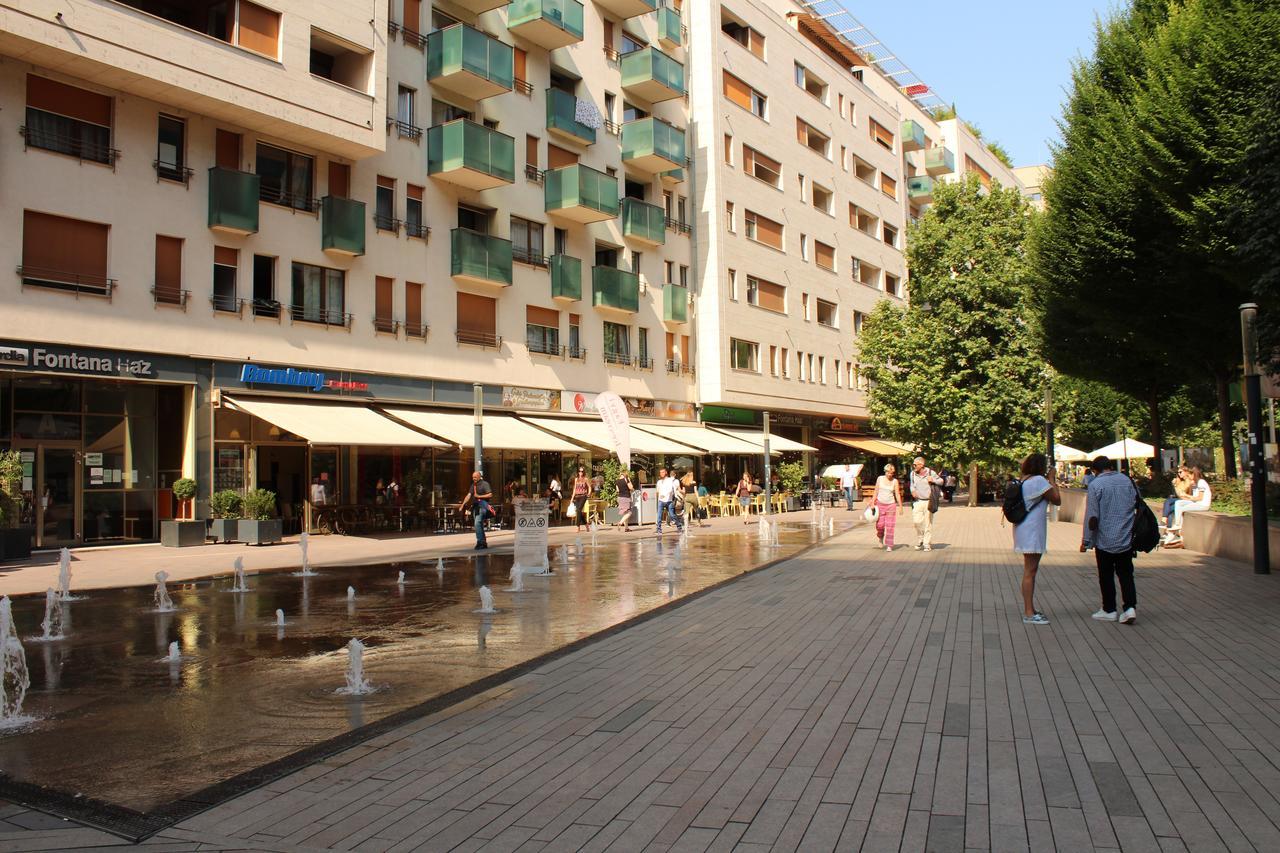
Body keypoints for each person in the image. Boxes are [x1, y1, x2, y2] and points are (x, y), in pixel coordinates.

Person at [1080, 456, 1137, 624]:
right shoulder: (1127, 481)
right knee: (1126, 574)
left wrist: (1086, 540)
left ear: (1095, 471)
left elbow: (1092, 516)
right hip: (1126, 537)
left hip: (1104, 538)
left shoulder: (1096, 485)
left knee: (1106, 575)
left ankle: (1109, 609)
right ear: (1111, 467)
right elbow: (1136, 503)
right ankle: (1129, 607)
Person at [1012, 453, 1061, 625]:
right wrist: (1052, 479)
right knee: (1030, 571)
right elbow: (1057, 499)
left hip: (1024, 529)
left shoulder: (1025, 480)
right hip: (1032, 531)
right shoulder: (1039, 481)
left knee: (1030, 570)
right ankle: (1028, 612)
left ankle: (1030, 609)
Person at [1164, 466, 1211, 546]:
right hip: (1196, 502)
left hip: (1203, 504)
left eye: (1190, 476)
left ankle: (1178, 526)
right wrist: (1186, 497)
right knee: (1178, 503)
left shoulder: (1201, 483)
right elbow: (1193, 498)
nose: (1189, 479)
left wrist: (1187, 496)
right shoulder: (1195, 483)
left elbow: (1199, 498)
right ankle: (1177, 524)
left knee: (1182, 508)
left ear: (1194, 475)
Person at [909, 456, 944, 551]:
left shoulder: (930, 472)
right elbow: (912, 485)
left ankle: (926, 544)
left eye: (915, 464)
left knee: (928, 523)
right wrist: (912, 491)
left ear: (921, 464)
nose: (914, 466)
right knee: (917, 522)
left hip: (929, 501)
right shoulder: (912, 474)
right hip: (917, 501)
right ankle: (921, 539)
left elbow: (941, 481)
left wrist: (933, 480)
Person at [867, 463, 903, 551]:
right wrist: (872, 502)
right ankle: (880, 537)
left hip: (891, 505)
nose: (890, 474)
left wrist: (900, 506)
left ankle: (889, 545)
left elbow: (897, 494)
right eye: (888, 472)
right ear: (885, 471)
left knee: (890, 526)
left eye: (891, 473)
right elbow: (876, 491)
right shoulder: (880, 479)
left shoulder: (895, 481)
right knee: (880, 525)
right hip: (880, 504)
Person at [457, 470, 493, 550]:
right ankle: (483, 543)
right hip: (475, 507)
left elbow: (490, 494)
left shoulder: (485, 484)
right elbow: (469, 495)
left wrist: (479, 496)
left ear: (480, 476)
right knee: (478, 524)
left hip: (482, 507)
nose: (474, 478)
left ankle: (480, 542)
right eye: (473, 477)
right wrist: (462, 505)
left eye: (475, 477)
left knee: (477, 523)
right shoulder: (473, 485)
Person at [1159, 465, 1193, 532]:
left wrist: (1176, 486)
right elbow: (1179, 494)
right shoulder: (1181, 482)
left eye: (1180, 472)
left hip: (1186, 500)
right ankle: (1168, 528)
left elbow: (1183, 495)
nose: (1179, 474)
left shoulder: (1189, 482)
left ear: (1186, 472)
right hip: (1181, 499)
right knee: (1169, 505)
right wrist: (1175, 485)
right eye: (1178, 472)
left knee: (1169, 505)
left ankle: (1166, 526)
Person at [655, 467, 683, 534]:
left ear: (666, 472)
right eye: (660, 472)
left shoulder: (670, 480)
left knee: (672, 515)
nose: (661, 474)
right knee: (659, 515)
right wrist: (658, 498)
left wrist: (664, 495)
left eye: (663, 472)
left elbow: (670, 490)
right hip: (661, 501)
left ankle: (679, 526)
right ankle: (659, 529)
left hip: (669, 501)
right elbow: (657, 491)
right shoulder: (659, 482)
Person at [569, 465, 592, 532]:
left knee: (579, 510)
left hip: (583, 496)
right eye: (579, 471)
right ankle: (586, 525)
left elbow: (589, 487)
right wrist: (572, 498)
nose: (580, 472)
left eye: (582, 471)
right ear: (578, 472)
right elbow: (574, 489)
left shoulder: (586, 479)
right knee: (579, 512)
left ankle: (578, 526)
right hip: (577, 496)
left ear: (583, 472)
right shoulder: (576, 479)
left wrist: (589, 494)